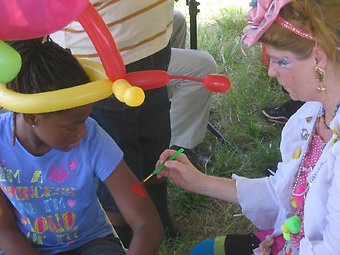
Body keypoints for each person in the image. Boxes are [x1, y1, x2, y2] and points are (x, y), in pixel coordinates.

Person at [156, 0, 340, 254]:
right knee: (203, 251)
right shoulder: (313, 113)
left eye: (280, 61)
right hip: (292, 241)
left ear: (318, 58)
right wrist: (199, 182)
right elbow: (286, 193)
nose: (271, 72)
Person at [0, 39, 163, 255]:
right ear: (32, 116)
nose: (83, 131)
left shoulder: (91, 136)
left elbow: (147, 223)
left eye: (84, 121)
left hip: (91, 244)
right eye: (71, 127)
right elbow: (5, 230)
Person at [51, 0, 176, 243]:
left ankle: (159, 222)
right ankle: (127, 240)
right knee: (118, 157)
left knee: (155, 140)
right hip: (101, 53)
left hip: (154, 39)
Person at [168, 10, 217, 167]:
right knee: (203, 67)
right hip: (118, 53)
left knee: (176, 19)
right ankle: (176, 147)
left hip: (122, 33)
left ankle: (168, 101)